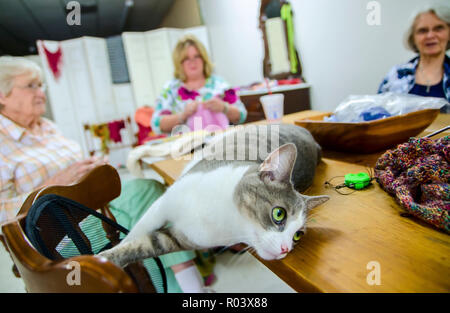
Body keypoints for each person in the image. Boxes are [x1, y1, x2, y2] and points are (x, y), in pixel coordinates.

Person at [0, 56, 207, 293]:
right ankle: (193, 289)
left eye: (41, 85)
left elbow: (73, 170)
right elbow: (3, 216)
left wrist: (91, 171)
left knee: (149, 200)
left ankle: (185, 286)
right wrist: (54, 185)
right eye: (31, 86)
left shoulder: (46, 126)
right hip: (56, 236)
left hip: (84, 212)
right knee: (146, 194)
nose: (41, 92)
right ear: (3, 95)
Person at [151, 34, 248, 134]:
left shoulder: (220, 85)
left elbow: (241, 115)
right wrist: (183, 115)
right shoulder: (170, 89)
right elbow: (157, 125)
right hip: (186, 148)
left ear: (204, 59)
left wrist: (224, 108)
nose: (192, 62)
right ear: (179, 63)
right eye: (186, 58)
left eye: (197, 56)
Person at [378, 7, 450, 113]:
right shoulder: (396, 75)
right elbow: (378, 116)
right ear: (413, 38)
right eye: (423, 31)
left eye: (438, 28)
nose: (430, 35)